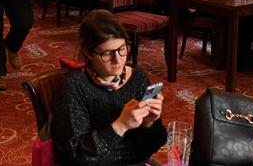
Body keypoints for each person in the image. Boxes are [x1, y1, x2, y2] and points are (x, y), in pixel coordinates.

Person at [51, 10, 167, 165]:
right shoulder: (74, 87)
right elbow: (74, 155)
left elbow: (151, 146)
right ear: (89, 53)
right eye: (107, 53)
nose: (118, 60)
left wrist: (149, 124)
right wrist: (120, 126)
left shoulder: (137, 78)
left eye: (122, 49)